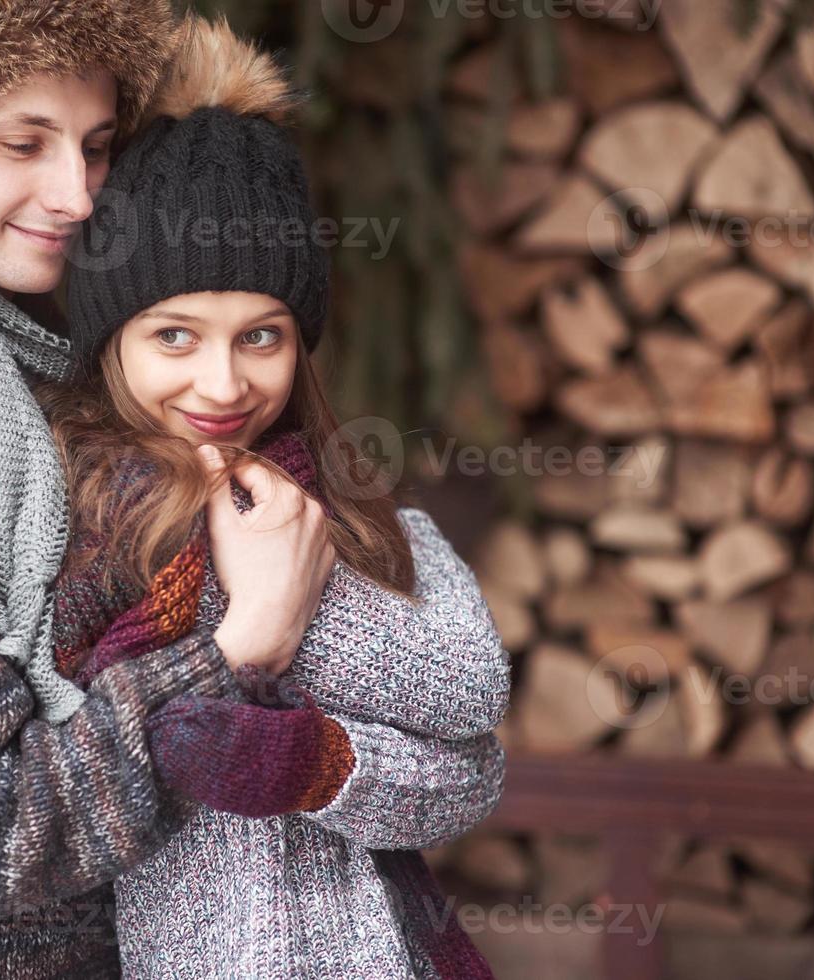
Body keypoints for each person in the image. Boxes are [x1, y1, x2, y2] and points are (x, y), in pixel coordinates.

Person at [0, 1, 490, 976]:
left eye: (96, 143)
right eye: (23, 144)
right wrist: (244, 643)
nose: (75, 193)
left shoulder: (70, 362)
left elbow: (452, 726)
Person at [37, 15, 508, 977]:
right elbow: (28, 795)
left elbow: (472, 734)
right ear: (111, 343)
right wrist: (252, 613)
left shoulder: (367, 527)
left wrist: (310, 760)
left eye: (262, 336)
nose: (223, 385)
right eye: (175, 336)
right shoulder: (68, 548)